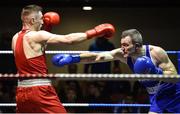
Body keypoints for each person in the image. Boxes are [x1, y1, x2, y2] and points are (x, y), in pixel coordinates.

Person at [11, 4, 115, 113]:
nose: (43, 22)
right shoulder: (37, 35)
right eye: (41, 19)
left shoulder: (15, 38)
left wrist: (48, 27)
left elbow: (36, 50)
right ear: (33, 20)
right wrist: (95, 32)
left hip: (21, 92)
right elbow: (68, 40)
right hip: (40, 90)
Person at [52, 29, 180, 113]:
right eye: (121, 44)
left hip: (174, 93)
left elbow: (175, 77)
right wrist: (74, 58)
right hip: (156, 97)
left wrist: (156, 73)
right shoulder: (122, 55)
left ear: (136, 46)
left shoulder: (156, 53)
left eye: (126, 45)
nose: (122, 48)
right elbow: (98, 56)